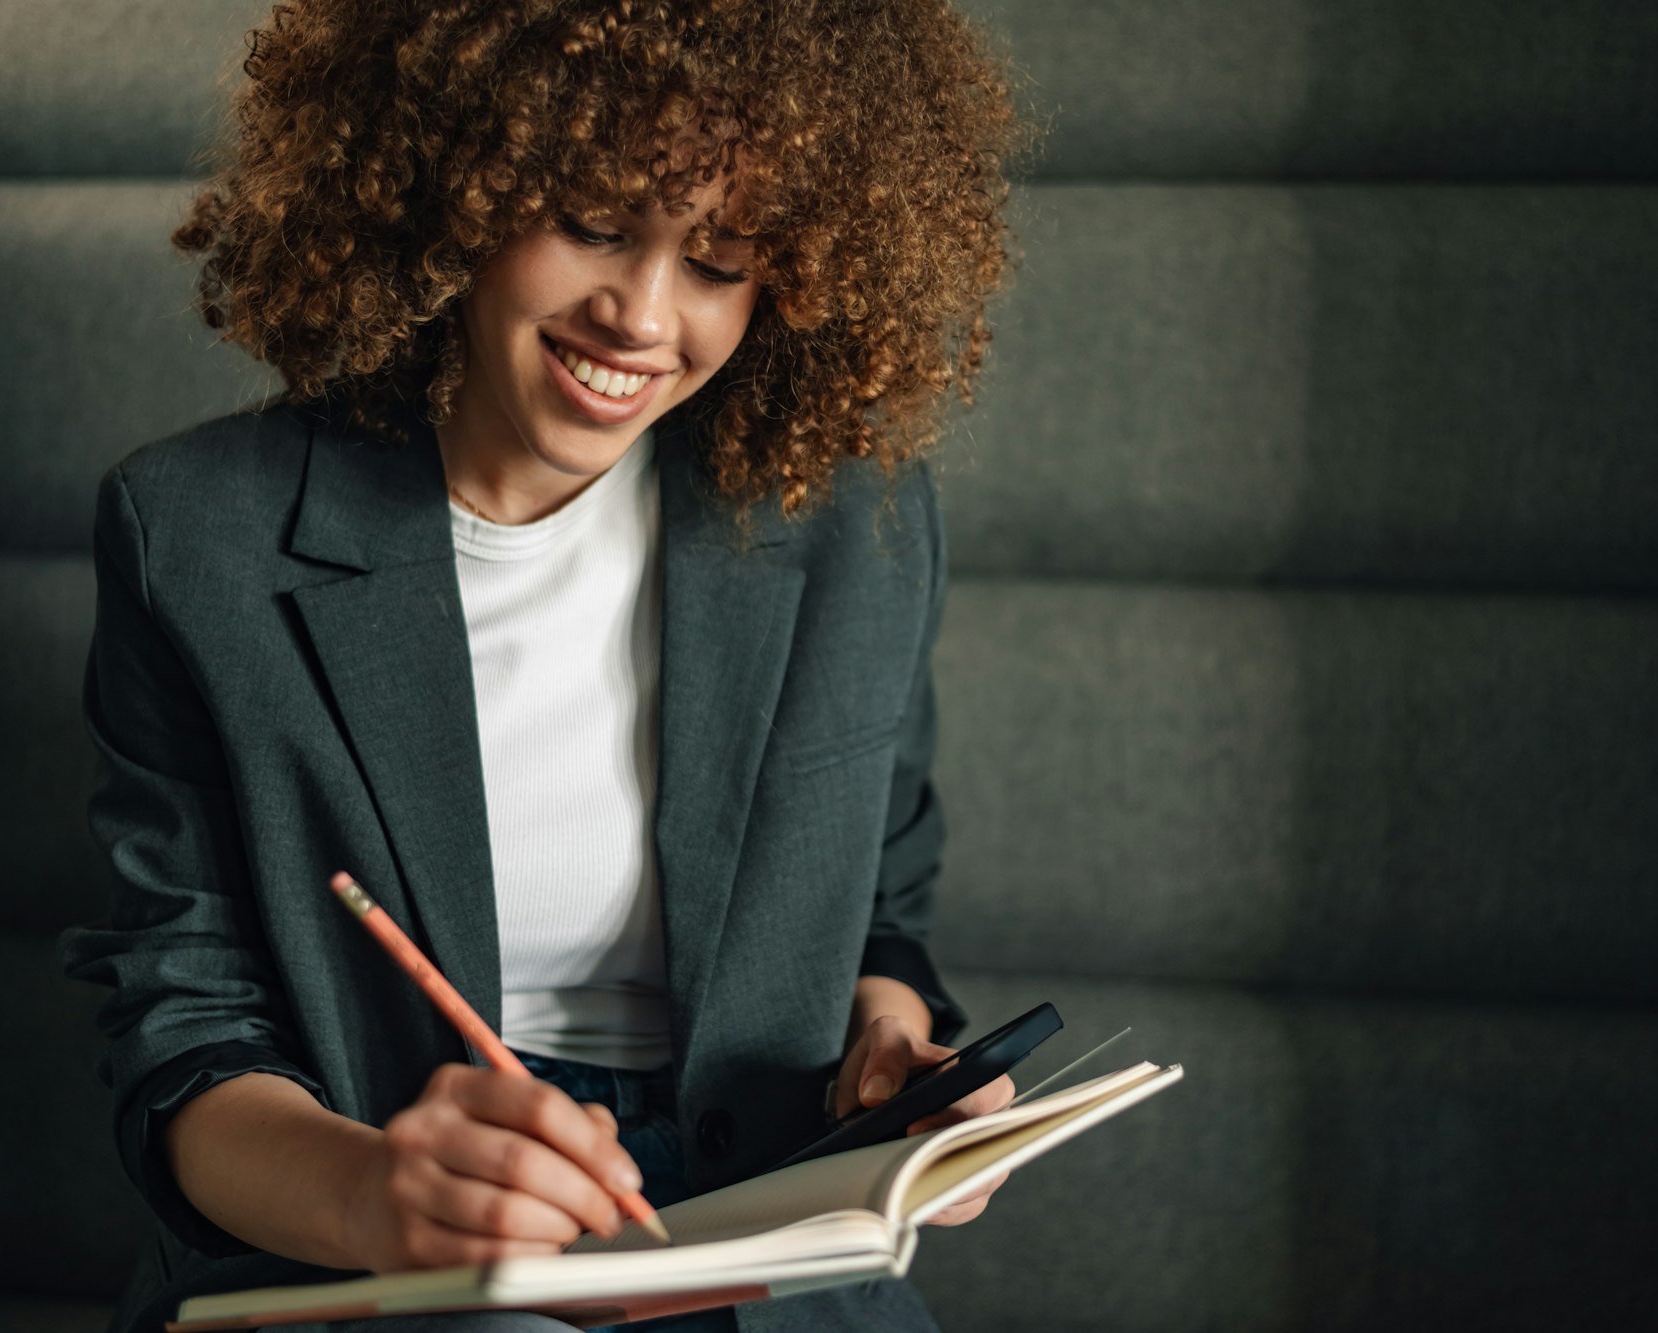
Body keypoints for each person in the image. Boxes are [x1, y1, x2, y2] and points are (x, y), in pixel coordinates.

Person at [61, 2, 1033, 1330]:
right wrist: (372, 1194)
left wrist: (892, 1056)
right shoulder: (196, 536)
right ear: (458, 183)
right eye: (591, 221)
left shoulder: (855, 527)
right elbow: (182, 1032)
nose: (642, 315)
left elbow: (876, 916)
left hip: (767, 1238)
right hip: (370, 1246)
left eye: (722, 260)